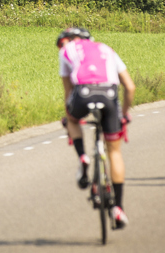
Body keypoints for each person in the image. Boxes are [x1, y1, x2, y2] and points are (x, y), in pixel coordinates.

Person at [57, 27, 135, 229]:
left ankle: (83, 156)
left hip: (83, 93)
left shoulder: (66, 50)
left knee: (72, 120)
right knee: (114, 152)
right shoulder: (106, 49)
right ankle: (118, 208)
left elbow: (68, 92)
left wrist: (69, 115)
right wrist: (123, 115)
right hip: (109, 95)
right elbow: (130, 87)